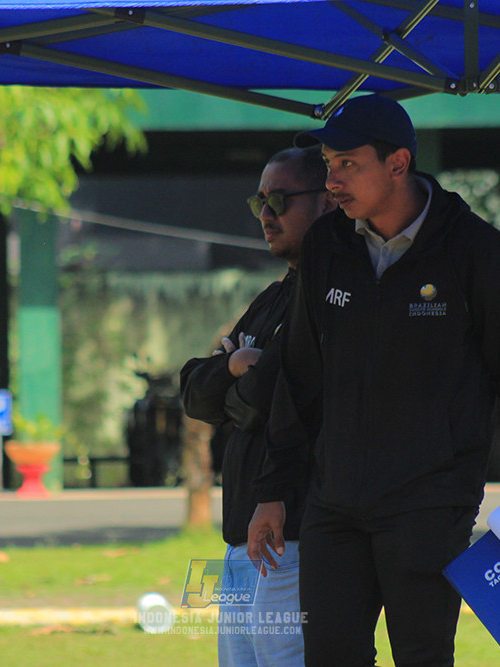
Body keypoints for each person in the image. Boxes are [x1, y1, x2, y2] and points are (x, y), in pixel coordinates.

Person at [247, 95, 500, 667]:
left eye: (348, 164)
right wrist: (273, 490)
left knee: (421, 656)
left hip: (431, 501)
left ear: (398, 163)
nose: (332, 181)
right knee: (328, 656)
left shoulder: (477, 252)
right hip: (333, 502)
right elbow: (299, 378)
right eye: (328, 164)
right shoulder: (326, 244)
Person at [181, 146, 334, 667]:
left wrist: (237, 381)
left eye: (279, 200)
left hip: (290, 539)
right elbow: (193, 394)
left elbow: (268, 400)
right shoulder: (272, 297)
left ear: (327, 202)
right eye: (259, 201)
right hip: (240, 539)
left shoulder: (332, 297)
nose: (266, 214)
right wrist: (233, 367)